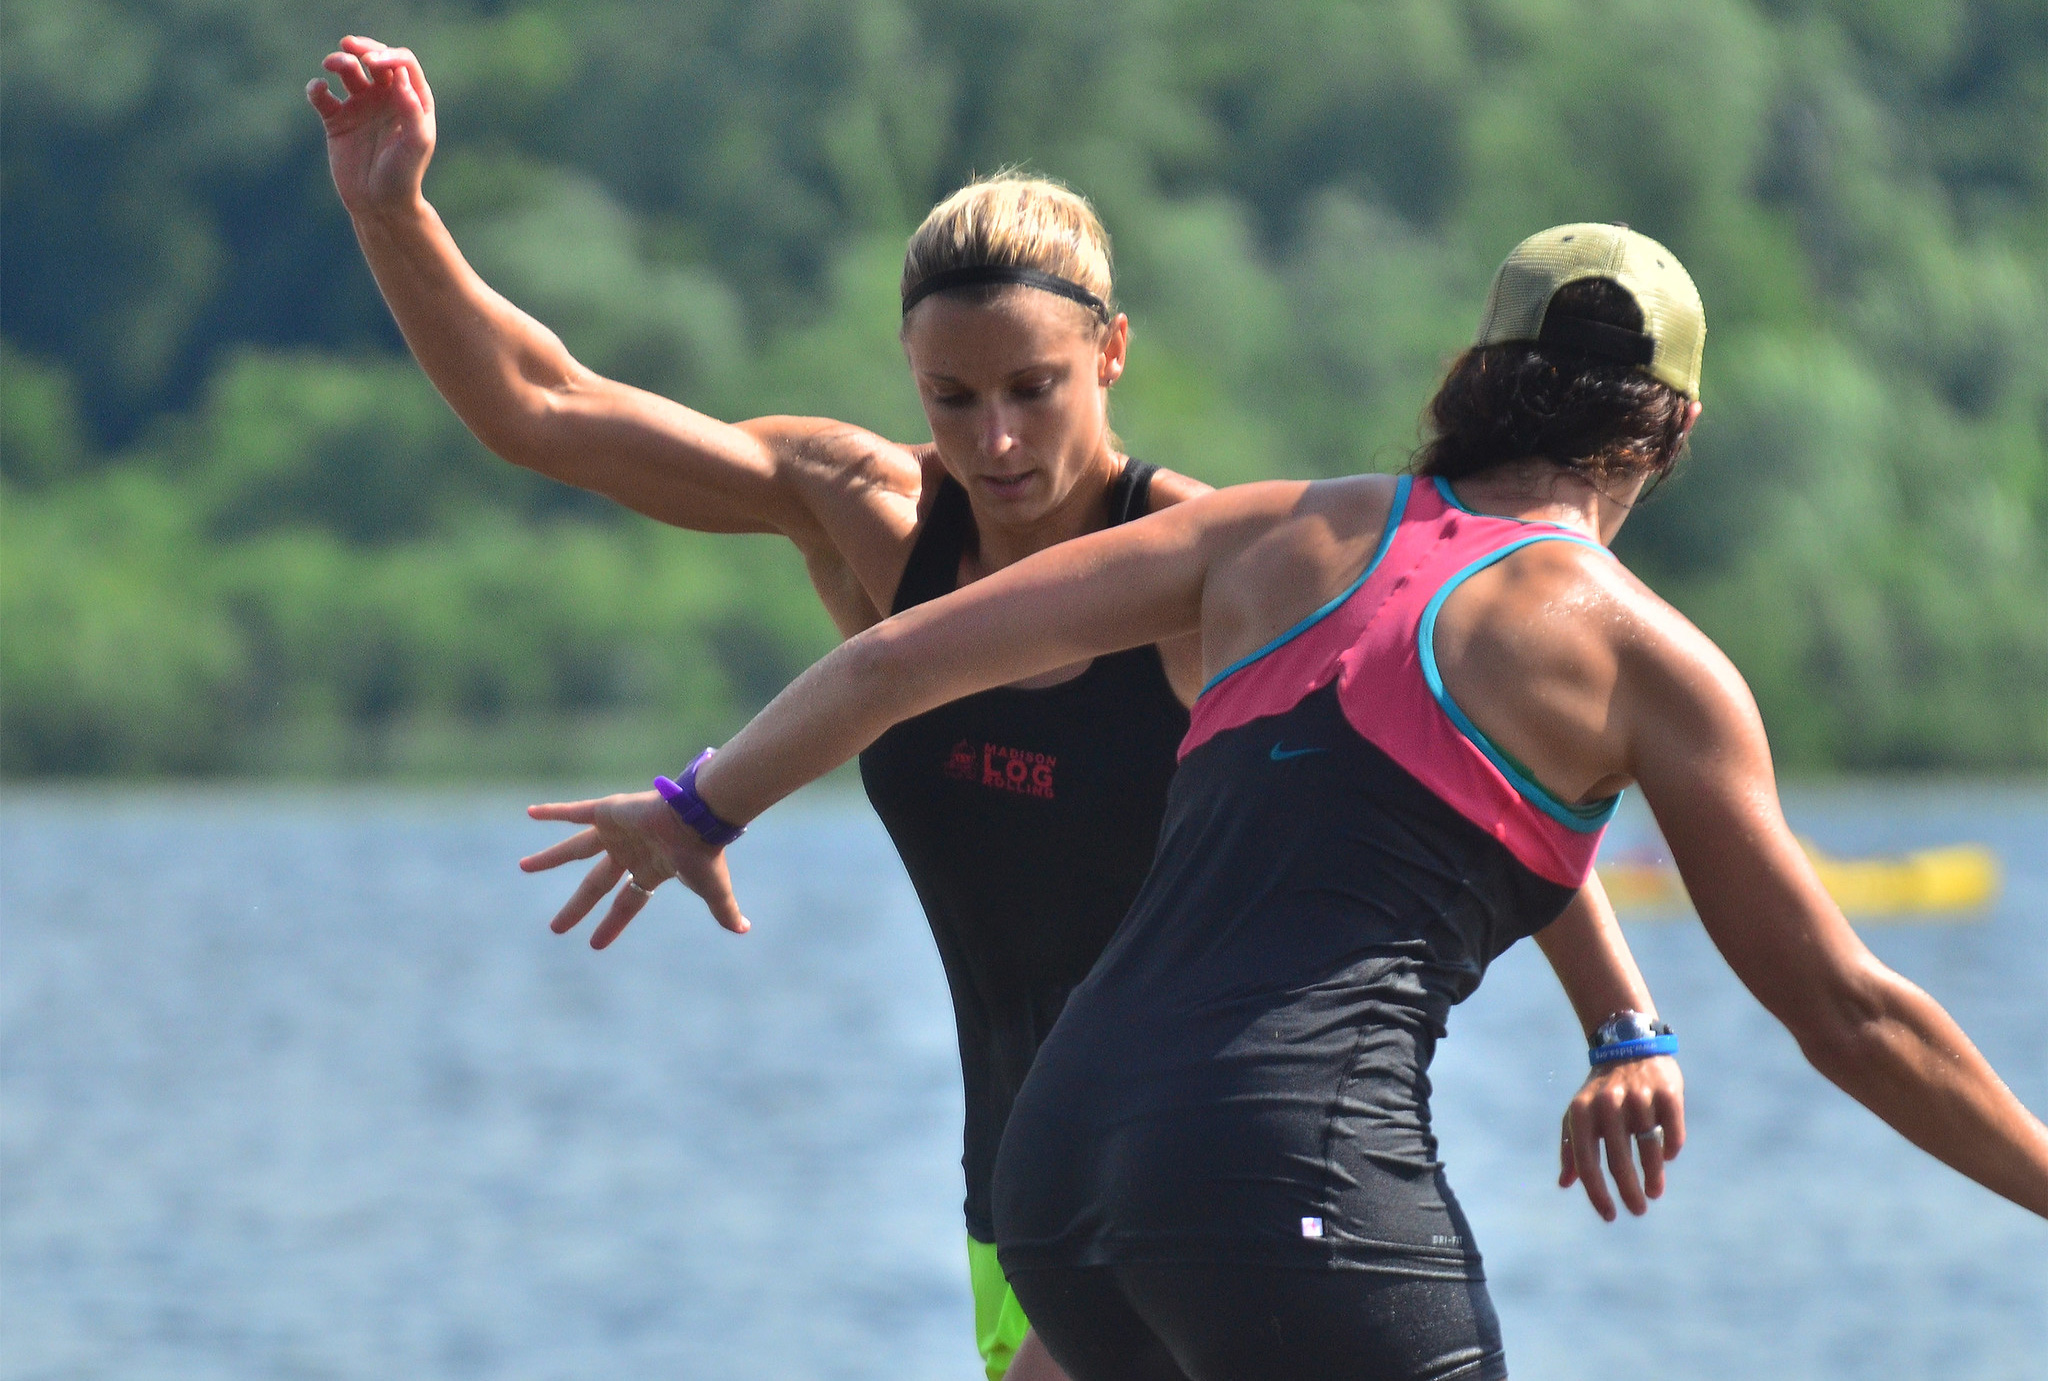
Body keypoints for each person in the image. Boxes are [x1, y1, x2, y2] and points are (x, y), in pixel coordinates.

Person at [310, 40, 1687, 1379]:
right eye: (953, 399)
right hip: (1019, 1202)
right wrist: (391, 212)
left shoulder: (1225, 573)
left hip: (1224, 1182)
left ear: (1113, 354)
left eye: (1034, 389)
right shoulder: (871, 518)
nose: (998, 444)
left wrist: (1620, 1021)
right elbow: (544, 406)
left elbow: (1467, 770)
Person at [527, 222, 2048, 1380]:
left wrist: (700, 806)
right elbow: (1848, 1012)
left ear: (1470, 382)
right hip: (1283, 1171)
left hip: (1055, 1169)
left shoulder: (1273, 535)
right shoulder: (1646, 655)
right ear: (1676, 431)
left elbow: (892, 667)